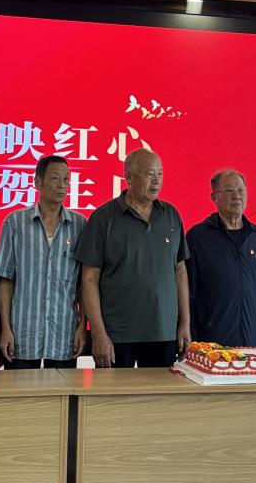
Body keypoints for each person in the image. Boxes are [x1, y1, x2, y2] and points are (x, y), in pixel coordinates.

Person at [77, 149, 191, 368]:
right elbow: (89, 279)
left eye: (160, 173)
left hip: (163, 332)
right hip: (117, 335)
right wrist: (98, 333)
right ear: (128, 177)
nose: (156, 180)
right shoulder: (103, 218)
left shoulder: (171, 215)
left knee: (162, 390)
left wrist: (185, 323)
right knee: (116, 391)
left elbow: (180, 270)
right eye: (149, 174)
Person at [0, 155, 87, 369]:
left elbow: (84, 284)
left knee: (63, 390)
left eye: (66, 179)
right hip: (22, 335)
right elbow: (6, 281)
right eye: (55, 178)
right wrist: (5, 328)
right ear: (38, 182)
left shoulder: (80, 225)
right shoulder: (15, 222)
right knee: (20, 391)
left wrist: (82, 327)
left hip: (64, 334)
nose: (62, 185)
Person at [187, 170, 256, 349]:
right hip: (212, 345)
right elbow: (188, 295)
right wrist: (192, 340)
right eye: (229, 190)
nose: (237, 195)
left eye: (241, 190)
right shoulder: (197, 237)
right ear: (214, 197)